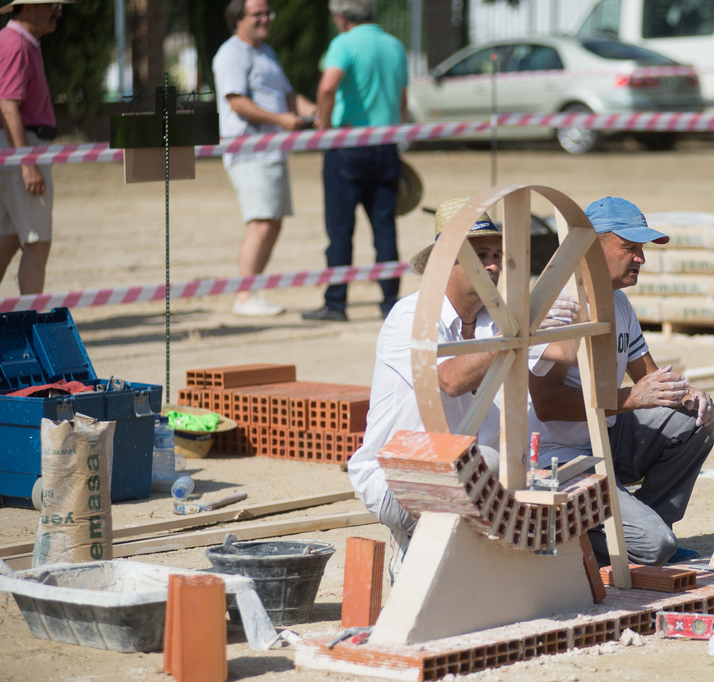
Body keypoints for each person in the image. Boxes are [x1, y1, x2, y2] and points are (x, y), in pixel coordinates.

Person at [348, 197, 578, 569]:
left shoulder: (496, 317)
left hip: (472, 474)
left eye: (497, 255)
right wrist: (523, 327)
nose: (493, 265)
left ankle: (474, 563)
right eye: (480, 255)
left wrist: (563, 301)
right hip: (398, 478)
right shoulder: (411, 316)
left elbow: (564, 355)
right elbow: (451, 379)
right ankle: (417, 551)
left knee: (529, 472)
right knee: (484, 463)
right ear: (446, 263)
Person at [529, 197, 714, 567]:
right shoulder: (559, 305)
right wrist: (632, 398)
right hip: (554, 458)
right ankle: (594, 536)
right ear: (590, 247)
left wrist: (689, 394)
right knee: (656, 548)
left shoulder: (618, 303)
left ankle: (643, 523)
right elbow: (548, 404)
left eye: (642, 249)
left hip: (601, 440)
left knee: (692, 419)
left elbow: (648, 377)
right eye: (629, 248)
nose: (641, 259)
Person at [303, 0, 408, 323]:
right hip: (386, 143)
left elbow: (327, 86)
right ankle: (391, 301)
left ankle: (336, 303)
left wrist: (326, 126)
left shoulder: (343, 44)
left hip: (347, 145)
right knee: (385, 227)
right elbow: (402, 97)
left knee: (340, 230)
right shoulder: (395, 45)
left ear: (340, 17)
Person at [213, 0, 317, 317]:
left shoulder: (266, 53)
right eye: (257, 14)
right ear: (237, 19)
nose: (265, 19)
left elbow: (288, 95)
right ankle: (244, 296)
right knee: (260, 223)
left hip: (273, 149)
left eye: (267, 13)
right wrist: (281, 120)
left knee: (271, 223)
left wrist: (316, 113)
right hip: (249, 149)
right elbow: (237, 102)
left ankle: (251, 291)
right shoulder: (231, 53)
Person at [0, 0, 71, 295]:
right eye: (52, 5)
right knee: (37, 241)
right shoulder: (16, 44)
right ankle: (31, 318)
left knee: (8, 237)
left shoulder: (18, 41)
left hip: (16, 148)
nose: (59, 11)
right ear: (27, 7)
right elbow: (8, 106)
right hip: (22, 146)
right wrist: (26, 163)